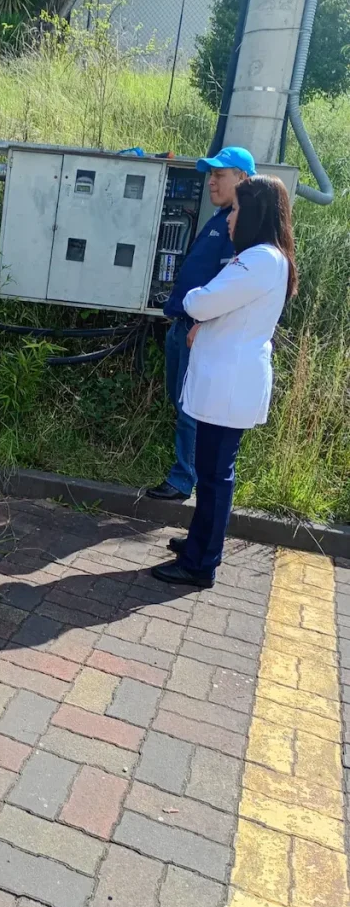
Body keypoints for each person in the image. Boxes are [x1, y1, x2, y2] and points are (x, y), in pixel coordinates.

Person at [152, 175, 297, 587]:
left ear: (253, 213)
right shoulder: (266, 259)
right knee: (211, 470)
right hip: (228, 381)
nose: (229, 219)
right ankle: (199, 543)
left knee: (215, 475)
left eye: (235, 210)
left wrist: (198, 304)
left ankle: (201, 563)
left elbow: (203, 300)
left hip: (229, 384)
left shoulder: (258, 261)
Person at [147, 146, 256, 501]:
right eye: (210, 175)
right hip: (183, 325)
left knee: (190, 406)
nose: (212, 181)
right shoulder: (220, 218)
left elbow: (230, 288)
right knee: (180, 402)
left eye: (219, 175)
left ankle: (183, 479)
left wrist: (201, 324)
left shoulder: (242, 227)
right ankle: (187, 472)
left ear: (242, 178)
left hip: (199, 329)